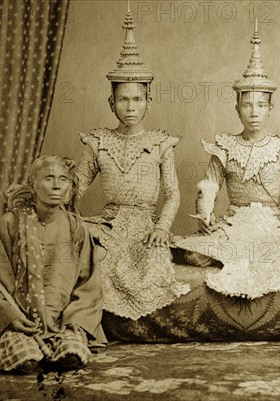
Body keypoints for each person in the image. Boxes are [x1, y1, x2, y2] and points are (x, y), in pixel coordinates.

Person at [173, 24, 280, 299]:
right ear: (237, 108)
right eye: (247, 105)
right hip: (233, 223)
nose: (254, 113)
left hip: (271, 225)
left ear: (271, 108)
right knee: (190, 252)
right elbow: (208, 188)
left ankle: (267, 255)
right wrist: (205, 214)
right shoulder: (224, 146)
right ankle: (231, 254)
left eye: (261, 105)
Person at [75, 9, 189, 321]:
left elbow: (172, 193)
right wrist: (70, 221)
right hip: (108, 224)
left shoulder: (161, 143)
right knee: (88, 256)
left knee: (150, 264)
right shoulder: (97, 141)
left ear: (148, 102)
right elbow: (76, 187)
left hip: (144, 225)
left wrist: (162, 227)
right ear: (111, 103)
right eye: (123, 100)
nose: (130, 107)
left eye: (137, 100)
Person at [0, 156, 106, 374]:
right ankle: (30, 348)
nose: (56, 185)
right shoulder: (10, 223)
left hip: (63, 321)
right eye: (48, 178)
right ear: (33, 185)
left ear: (70, 188)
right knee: (25, 361)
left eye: (63, 179)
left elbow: (88, 284)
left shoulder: (76, 228)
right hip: (23, 321)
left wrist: (74, 321)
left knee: (72, 356)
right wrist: (12, 318)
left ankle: (59, 345)